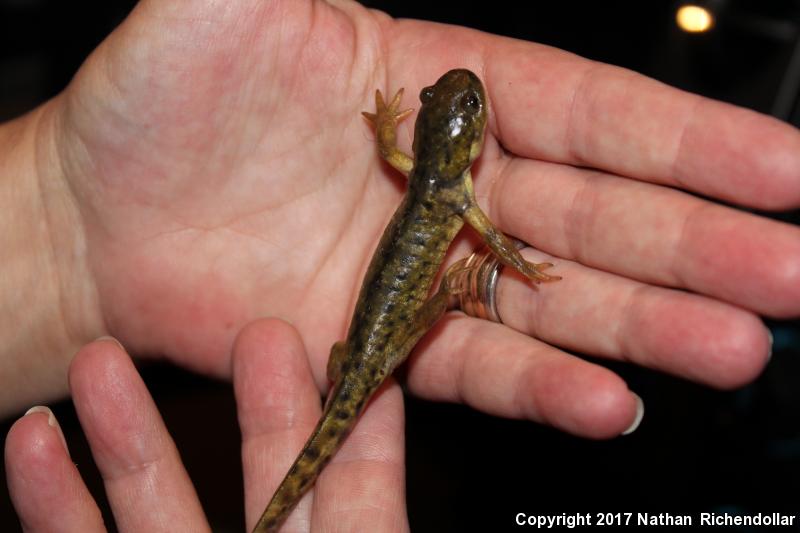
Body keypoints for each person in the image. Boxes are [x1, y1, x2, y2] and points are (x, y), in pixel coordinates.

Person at [3, 0, 799, 530]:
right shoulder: (454, 196)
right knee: (399, 334)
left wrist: (390, 132)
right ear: (454, 144)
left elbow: (402, 160)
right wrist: (499, 271)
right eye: (458, 111)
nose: (470, 113)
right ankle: (445, 306)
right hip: (374, 345)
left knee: (360, 365)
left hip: (360, 347)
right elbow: (494, 238)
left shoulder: (431, 179)